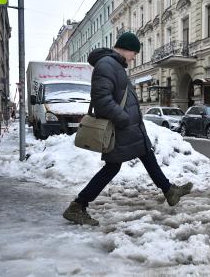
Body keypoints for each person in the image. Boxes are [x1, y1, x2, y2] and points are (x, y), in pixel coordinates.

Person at [63, 32, 193, 226]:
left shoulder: (114, 65)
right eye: (135, 53)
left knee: (145, 153)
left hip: (128, 127)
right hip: (120, 127)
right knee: (113, 167)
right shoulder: (107, 65)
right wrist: (124, 118)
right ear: (127, 48)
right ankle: (77, 206)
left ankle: (169, 191)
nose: (134, 58)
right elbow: (102, 100)